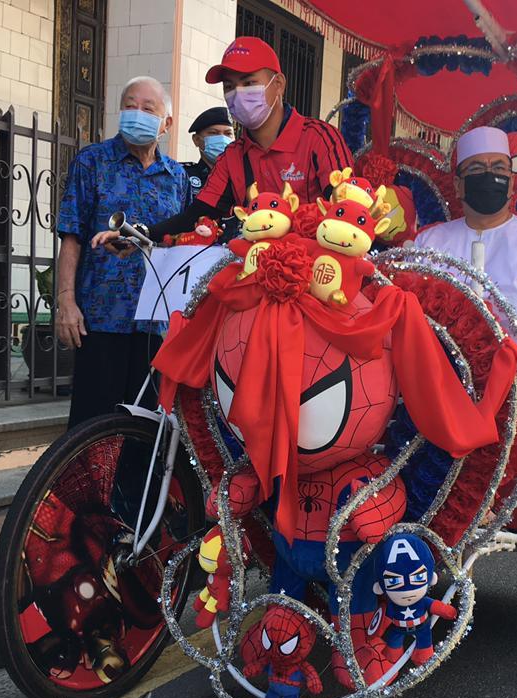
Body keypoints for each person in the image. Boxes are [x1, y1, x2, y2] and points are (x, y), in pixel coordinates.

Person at [90, 36, 352, 249]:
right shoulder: (232, 157)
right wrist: (139, 233)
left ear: (279, 84)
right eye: (229, 87)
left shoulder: (319, 138)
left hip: (317, 283)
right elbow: (196, 216)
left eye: (249, 83)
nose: (238, 94)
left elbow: (349, 211)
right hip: (255, 281)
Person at [55, 76, 188, 428]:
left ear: (166, 123)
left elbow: (185, 242)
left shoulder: (177, 177)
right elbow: (71, 234)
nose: (137, 113)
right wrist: (66, 302)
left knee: (145, 432)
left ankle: (135, 486)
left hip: (156, 327)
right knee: (91, 430)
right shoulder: (92, 162)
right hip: (100, 318)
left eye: (148, 108)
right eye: (130, 105)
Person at [414, 126, 517, 360]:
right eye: (477, 169)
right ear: (459, 185)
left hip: (512, 366)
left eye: (498, 168)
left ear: (511, 182)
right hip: (437, 363)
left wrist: (495, 341)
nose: (489, 176)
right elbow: (412, 301)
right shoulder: (430, 241)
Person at [182, 106, 233, 205]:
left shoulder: (240, 177)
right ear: (196, 140)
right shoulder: (182, 175)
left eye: (228, 133)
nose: (222, 138)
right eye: (214, 133)